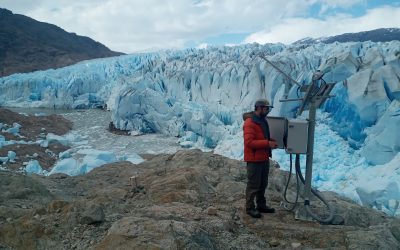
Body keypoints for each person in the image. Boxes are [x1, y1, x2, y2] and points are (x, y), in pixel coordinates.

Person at [243, 99, 278, 218]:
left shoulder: (262, 121)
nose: (268, 111)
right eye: (266, 108)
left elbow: (262, 137)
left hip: (263, 158)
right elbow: (249, 142)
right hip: (254, 159)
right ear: (259, 108)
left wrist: (270, 141)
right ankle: (249, 208)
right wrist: (267, 144)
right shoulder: (250, 122)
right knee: (253, 185)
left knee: (263, 184)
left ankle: (261, 205)